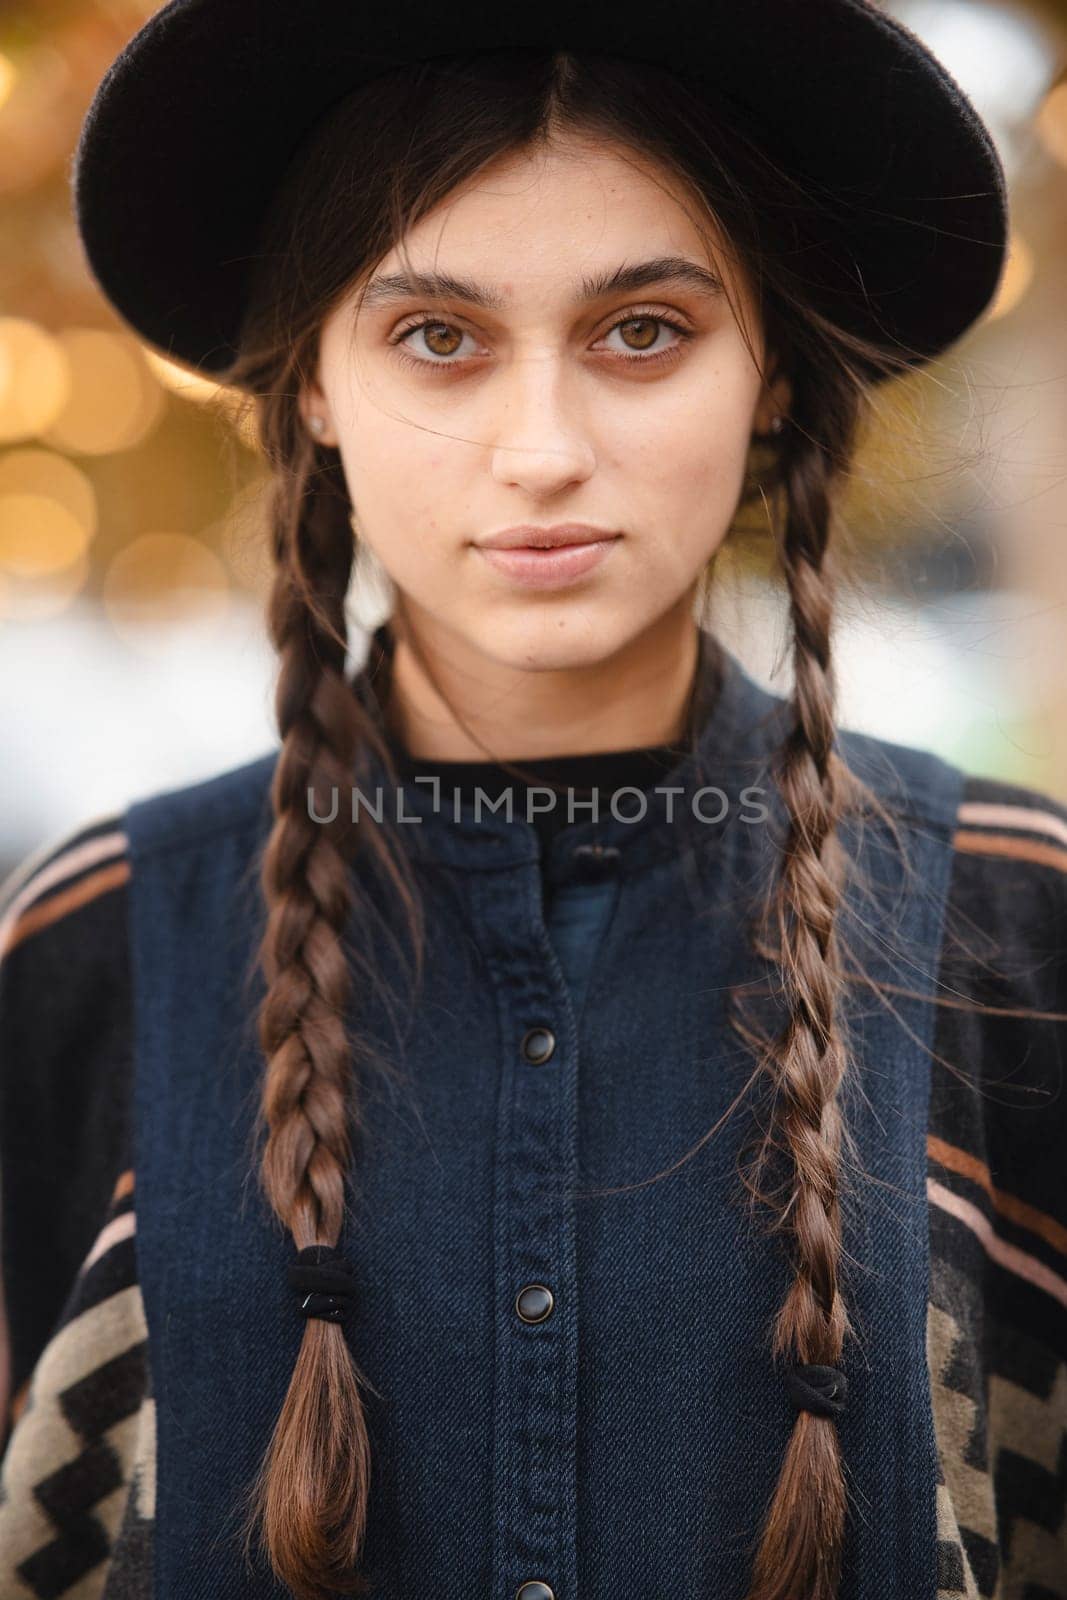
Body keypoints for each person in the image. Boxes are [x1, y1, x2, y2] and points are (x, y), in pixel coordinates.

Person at [1, 3, 1066, 1598]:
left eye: (644, 330)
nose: (544, 448)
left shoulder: (1011, 917)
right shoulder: (95, 942)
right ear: (314, 388)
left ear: (767, 371)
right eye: (438, 336)